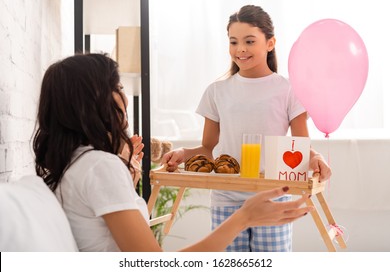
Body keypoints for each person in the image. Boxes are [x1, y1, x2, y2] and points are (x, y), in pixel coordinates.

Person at [32, 53, 313, 252]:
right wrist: (245, 217)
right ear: (91, 102)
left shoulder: (78, 162)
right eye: (117, 87)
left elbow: (101, 231)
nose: (125, 96)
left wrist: (126, 172)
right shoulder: (98, 167)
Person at [161, 5, 332, 252]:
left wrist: (316, 158)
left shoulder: (289, 90)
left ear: (270, 43)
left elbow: (300, 148)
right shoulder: (217, 91)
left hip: (272, 197)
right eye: (233, 42)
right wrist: (182, 154)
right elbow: (209, 149)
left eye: (250, 41)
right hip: (226, 198)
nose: (240, 49)